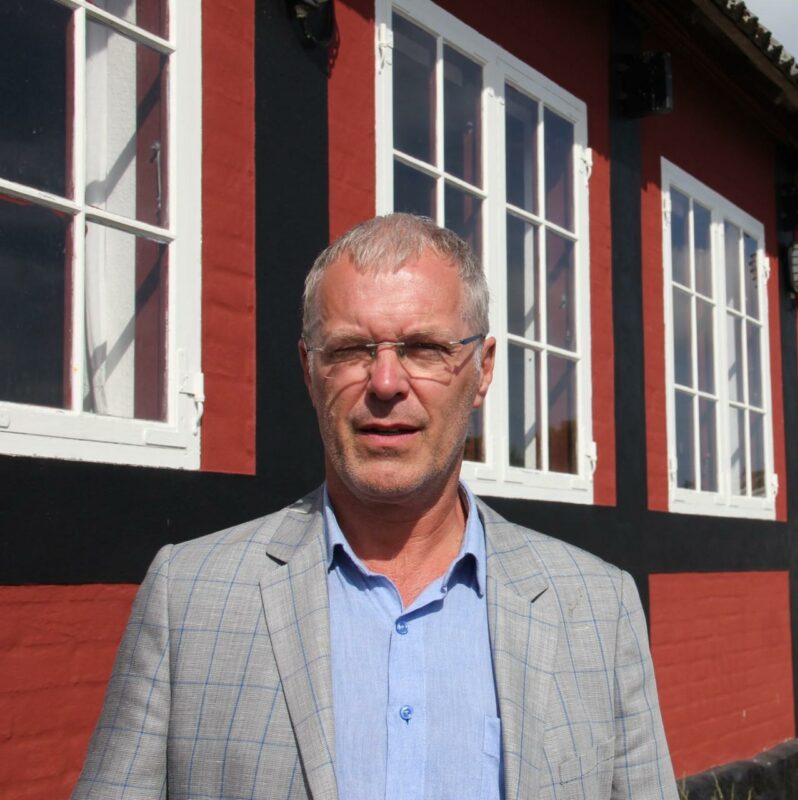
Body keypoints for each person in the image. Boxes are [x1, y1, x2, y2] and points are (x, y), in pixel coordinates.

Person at [73, 214, 676, 800]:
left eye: (423, 348)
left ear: (482, 370)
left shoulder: (600, 609)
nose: (386, 382)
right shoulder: (188, 598)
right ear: (309, 372)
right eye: (351, 349)